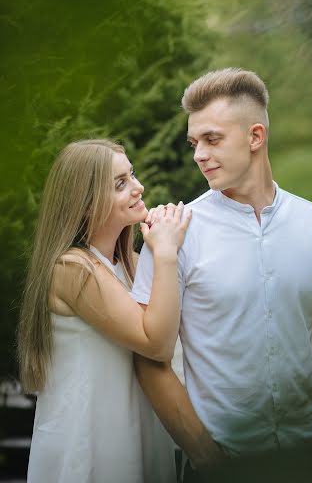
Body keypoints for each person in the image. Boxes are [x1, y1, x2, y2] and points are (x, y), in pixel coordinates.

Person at [132, 68, 312, 480]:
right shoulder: (174, 233)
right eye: (194, 142)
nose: (198, 154)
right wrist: (205, 455)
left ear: (256, 137)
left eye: (212, 139)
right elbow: (150, 361)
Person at [18, 138, 191, 483]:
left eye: (133, 175)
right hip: (90, 445)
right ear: (85, 205)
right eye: (120, 184)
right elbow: (156, 343)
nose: (139, 187)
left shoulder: (129, 266)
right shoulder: (72, 268)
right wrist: (167, 252)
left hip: (133, 433)